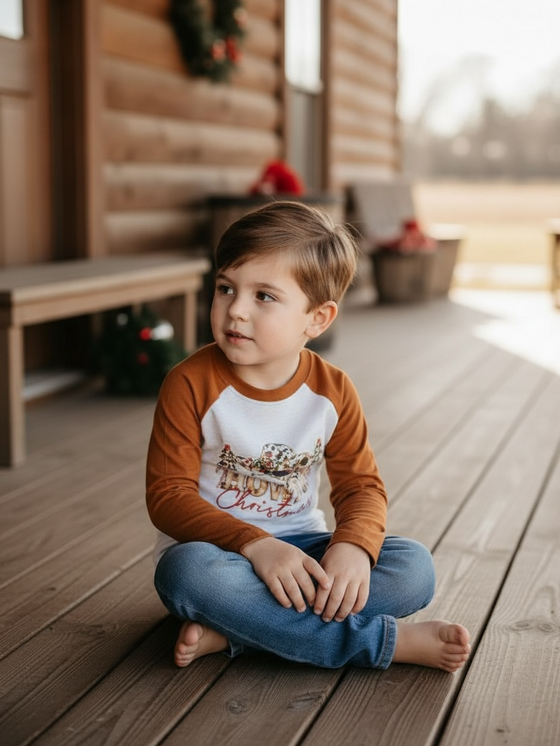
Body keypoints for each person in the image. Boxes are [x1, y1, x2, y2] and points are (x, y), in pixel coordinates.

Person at [146, 200, 470, 672]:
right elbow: (168, 496)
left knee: (413, 569)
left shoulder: (333, 391)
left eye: (264, 296)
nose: (235, 310)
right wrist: (255, 545)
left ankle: (241, 632)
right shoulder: (189, 383)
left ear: (316, 319)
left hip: (307, 550)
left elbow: (361, 486)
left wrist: (352, 548)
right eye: (225, 288)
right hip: (222, 556)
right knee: (184, 575)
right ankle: (380, 643)